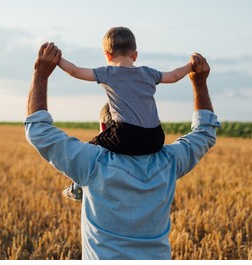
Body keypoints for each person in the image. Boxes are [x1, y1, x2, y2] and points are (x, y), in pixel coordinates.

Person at [25, 42, 220, 259]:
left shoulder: (92, 164)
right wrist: (199, 83)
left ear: (104, 128)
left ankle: (76, 188)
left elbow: (38, 131)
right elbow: (205, 133)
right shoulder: (169, 163)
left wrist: (40, 74)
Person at [58, 27, 192, 201]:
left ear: (107, 55)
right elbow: (174, 76)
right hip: (156, 138)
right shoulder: (148, 73)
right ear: (135, 55)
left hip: (127, 135)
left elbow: (75, 71)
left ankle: (77, 188)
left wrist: (57, 59)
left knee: (89, 150)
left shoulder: (108, 73)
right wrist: (191, 65)